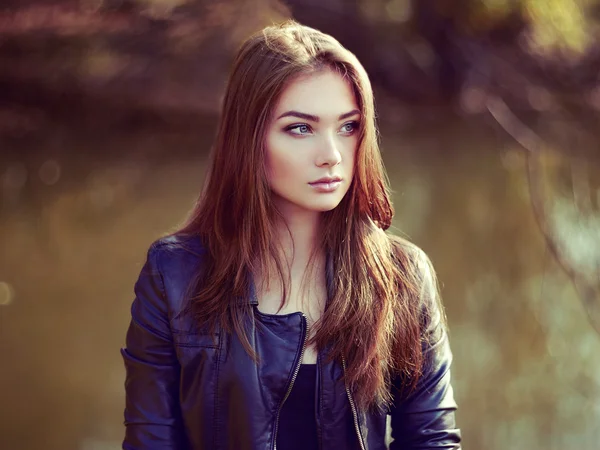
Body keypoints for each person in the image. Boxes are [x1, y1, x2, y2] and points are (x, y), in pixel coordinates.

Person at [121, 20, 461, 450]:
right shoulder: (173, 275)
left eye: (348, 126)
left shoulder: (403, 277)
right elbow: (150, 442)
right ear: (248, 139)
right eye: (300, 128)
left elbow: (431, 441)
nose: (332, 155)